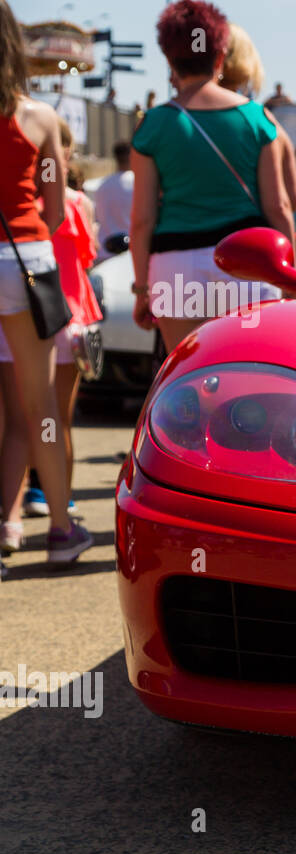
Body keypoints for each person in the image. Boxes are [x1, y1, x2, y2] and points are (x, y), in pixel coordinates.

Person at [130, 0, 296, 354]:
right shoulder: (256, 118)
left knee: (188, 383)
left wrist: (142, 288)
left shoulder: (154, 125)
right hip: (248, 263)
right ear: (220, 56)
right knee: (253, 377)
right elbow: (279, 206)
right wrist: (290, 277)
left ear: (170, 59)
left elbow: (143, 219)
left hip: (175, 268)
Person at [0, 0, 91, 568]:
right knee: (41, 410)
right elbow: (56, 211)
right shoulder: (39, 119)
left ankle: (7, 526)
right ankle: (60, 529)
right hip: (23, 262)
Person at [2, 117, 102, 549]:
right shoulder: (36, 118)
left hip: (27, 301)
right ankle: (60, 520)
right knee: (51, 418)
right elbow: (80, 245)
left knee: (14, 421)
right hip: (52, 304)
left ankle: (9, 522)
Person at [220, 23, 296, 280]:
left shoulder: (174, 118)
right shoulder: (262, 121)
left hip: (180, 266)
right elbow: (287, 201)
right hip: (254, 257)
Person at [92, 140, 133, 259]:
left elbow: (98, 218)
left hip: (105, 253)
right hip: (131, 255)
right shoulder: (140, 184)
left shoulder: (102, 186)